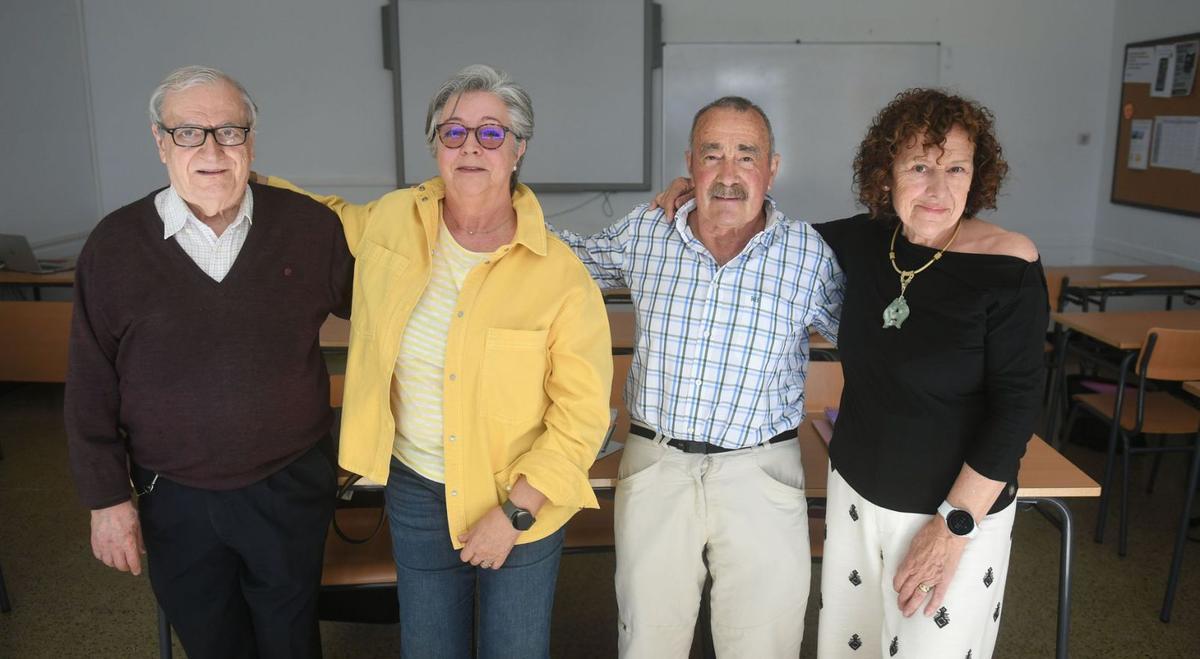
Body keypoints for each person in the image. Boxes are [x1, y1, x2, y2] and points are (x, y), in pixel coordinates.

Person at [261, 64, 612, 658]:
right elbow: (317, 214)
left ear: (519, 148)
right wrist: (231, 171)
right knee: (428, 648)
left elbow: (581, 417)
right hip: (416, 486)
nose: (470, 146)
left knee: (515, 651)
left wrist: (516, 514)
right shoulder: (392, 221)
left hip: (520, 498)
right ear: (435, 146)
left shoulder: (561, 275)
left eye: (491, 133)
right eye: (453, 132)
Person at [65, 65, 353, 659]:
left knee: (291, 639)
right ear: (160, 142)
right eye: (190, 132)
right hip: (174, 494)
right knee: (211, 640)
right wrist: (106, 500)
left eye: (229, 131)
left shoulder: (311, 229)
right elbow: (90, 384)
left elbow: (385, 320)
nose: (212, 150)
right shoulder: (114, 245)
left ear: (251, 140)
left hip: (289, 483)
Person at [552, 96, 844, 657]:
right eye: (713, 155)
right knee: (649, 642)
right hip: (657, 467)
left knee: (763, 644)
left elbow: (872, 341)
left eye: (746, 156)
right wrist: (494, 209)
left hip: (761, 471)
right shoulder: (647, 231)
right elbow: (569, 262)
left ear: (772, 167)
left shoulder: (807, 254)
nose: (729, 175)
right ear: (690, 163)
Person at [811, 89, 1047, 658]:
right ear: (885, 175)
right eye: (919, 166)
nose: (938, 189)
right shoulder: (866, 241)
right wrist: (691, 198)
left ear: (977, 176)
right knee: (853, 647)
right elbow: (762, 233)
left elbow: (1014, 411)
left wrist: (952, 527)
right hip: (856, 498)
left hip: (954, 514)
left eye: (955, 168)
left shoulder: (1008, 265)